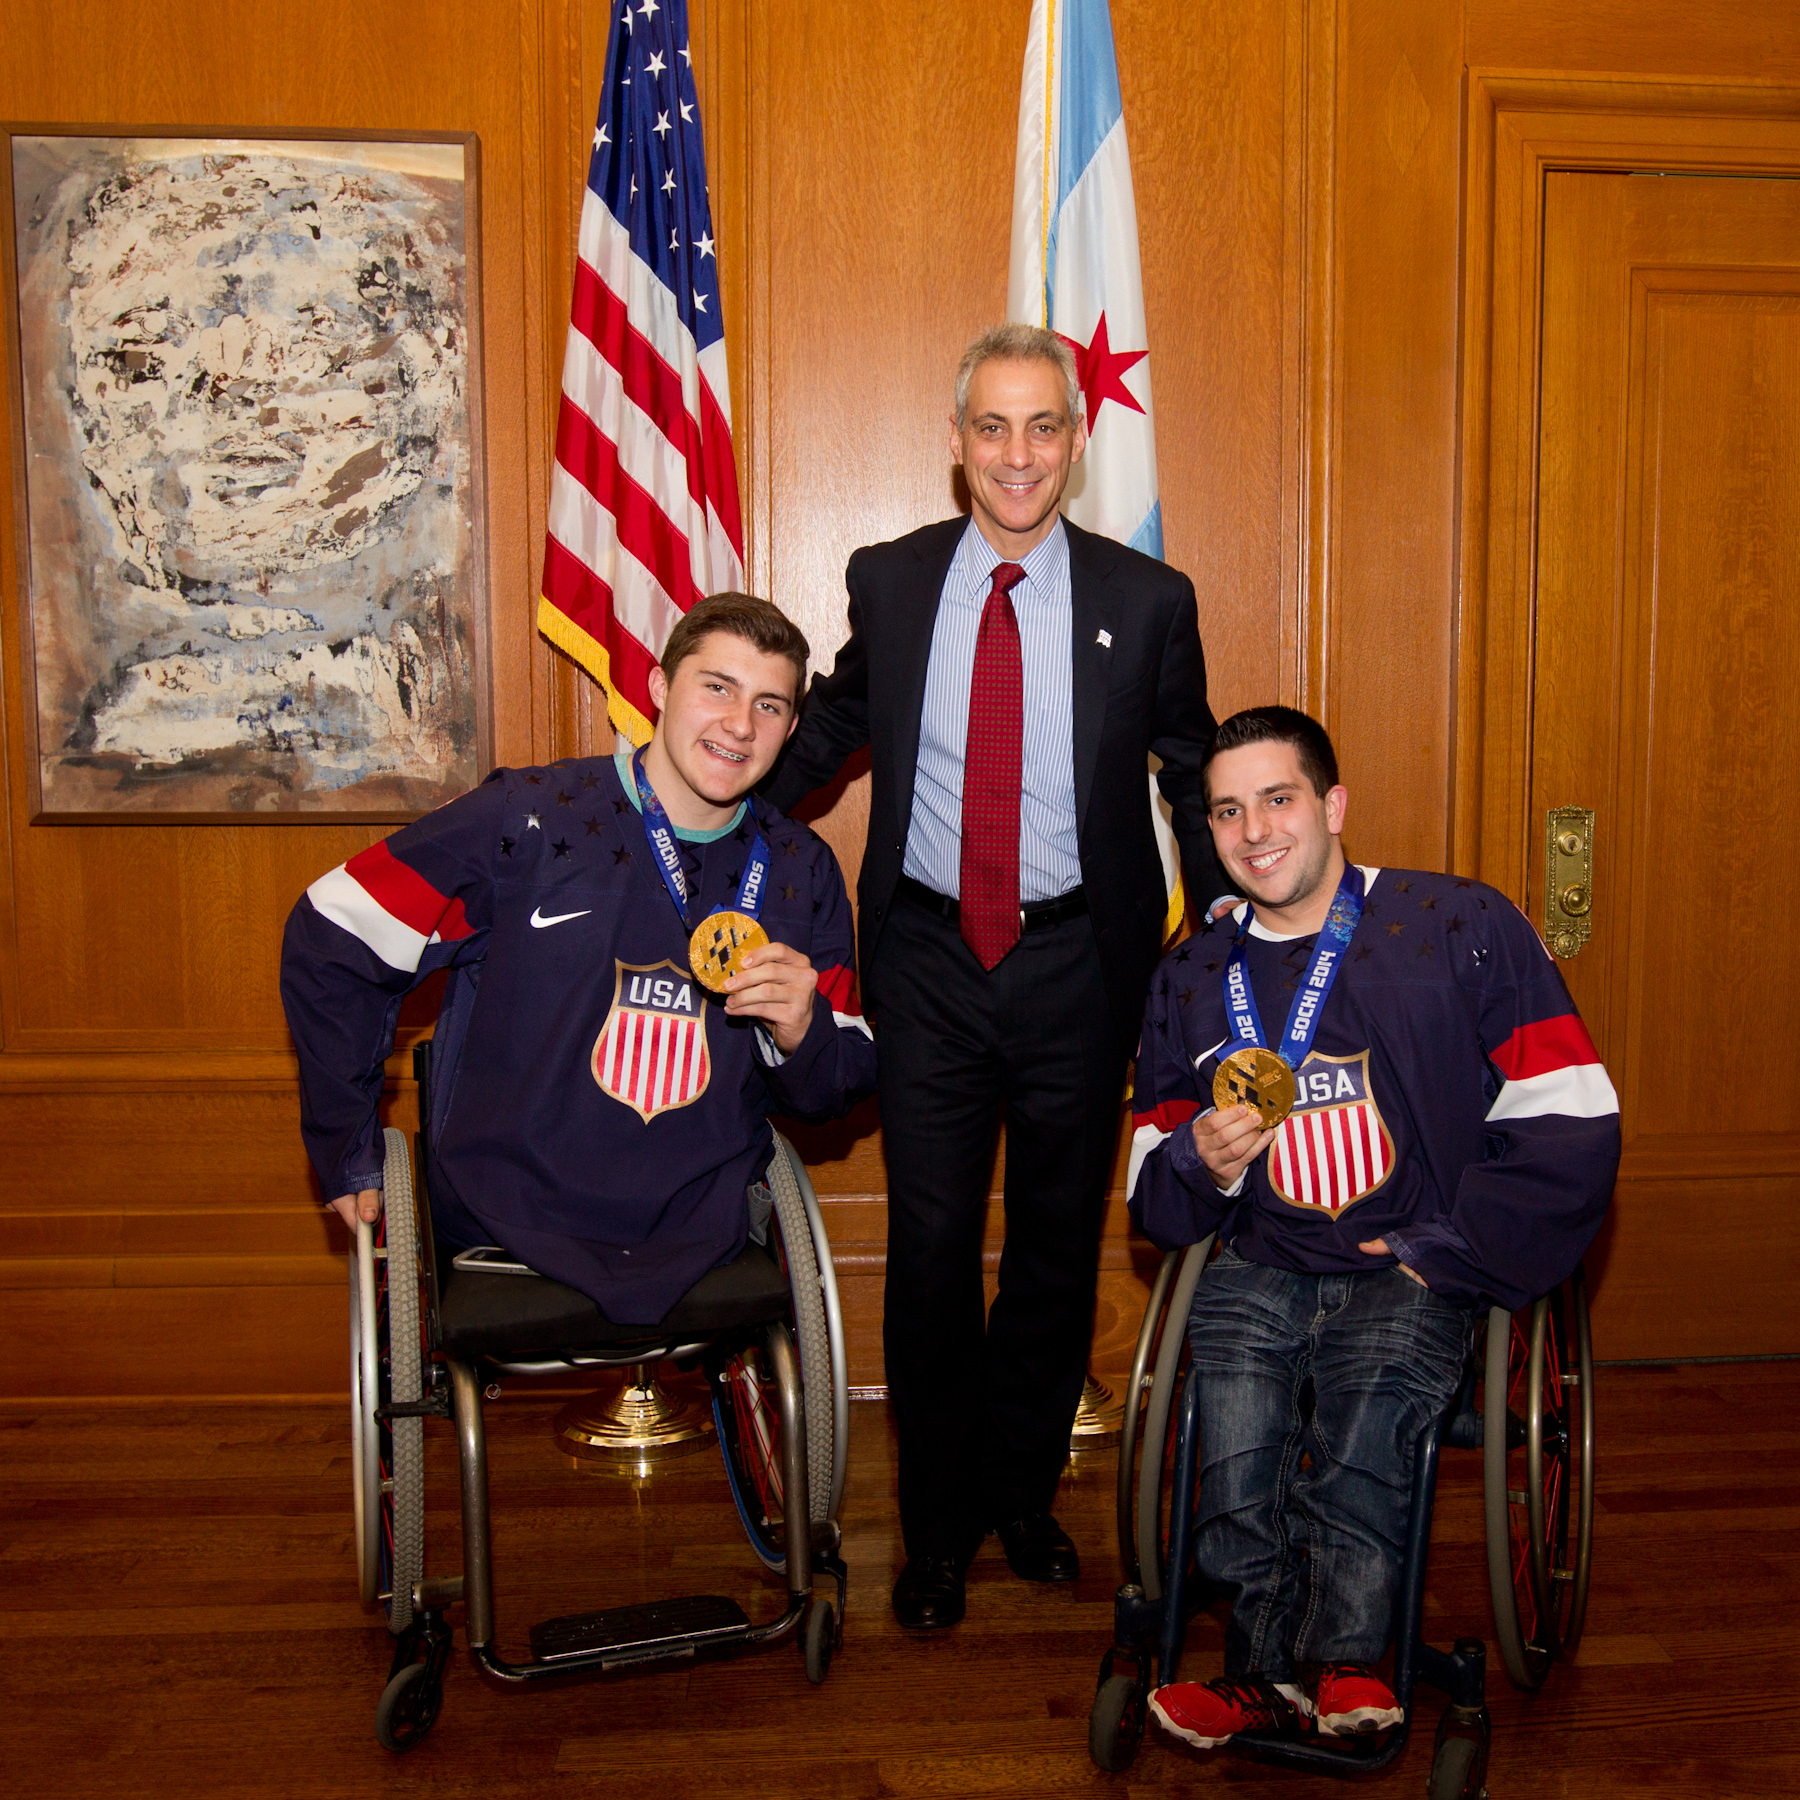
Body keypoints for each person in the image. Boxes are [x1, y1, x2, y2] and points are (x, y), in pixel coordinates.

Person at [763, 323, 1230, 1628]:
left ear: (1077, 444)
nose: (1017, 456)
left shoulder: (1149, 601)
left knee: (1051, 1249)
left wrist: (1233, 920)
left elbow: (1189, 767)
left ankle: (1020, 1495)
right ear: (957, 441)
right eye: (991, 428)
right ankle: (935, 1525)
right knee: (928, 1249)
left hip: (1084, 961)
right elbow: (846, 717)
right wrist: (725, 789)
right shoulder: (894, 579)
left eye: (1042, 428)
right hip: (926, 962)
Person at [1128, 705, 1618, 1748]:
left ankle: (1350, 1658)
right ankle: (1260, 1670)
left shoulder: (1459, 927)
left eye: (1278, 798)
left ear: (1332, 804)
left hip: (1416, 1260)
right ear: (1206, 832)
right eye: (1226, 811)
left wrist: (1444, 1252)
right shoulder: (1187, 977)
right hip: (1262, 1260)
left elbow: (1570, 1118)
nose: (1254, 830)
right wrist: (1194, 1165)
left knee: (1366, 1409)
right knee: (1232, 1428)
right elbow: (1150, 1191)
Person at [281, 593, 877, 1324]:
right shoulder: (527, 817)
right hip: (510, 1211)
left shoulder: (800, 869)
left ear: (790, 728)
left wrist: (803, 1031)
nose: (739, 725)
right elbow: (335, 930)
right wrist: (348, 1146)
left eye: (770, 705)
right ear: (660, 689)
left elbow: (835, 1087)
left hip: (701, 1219)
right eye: (716, 687)